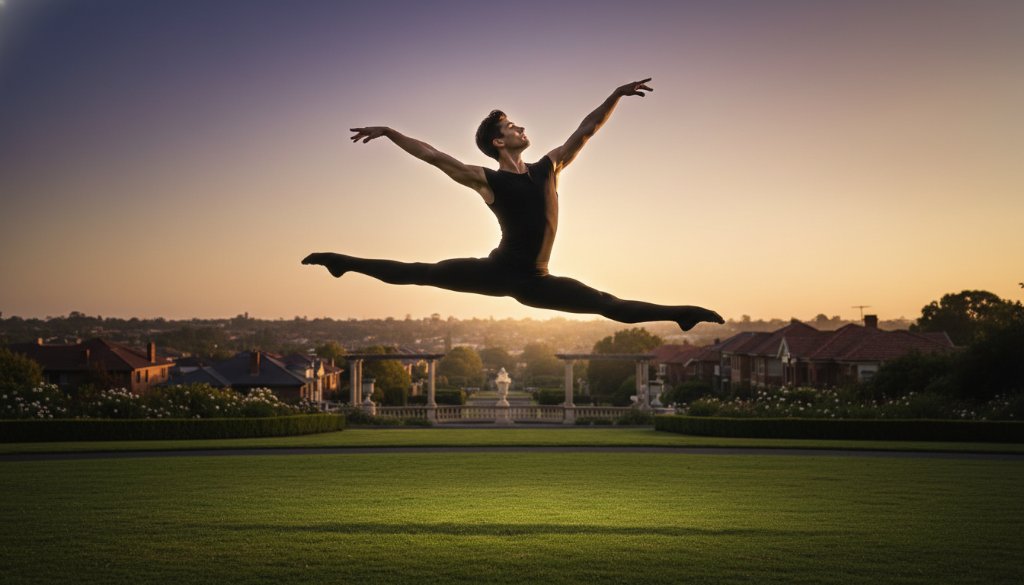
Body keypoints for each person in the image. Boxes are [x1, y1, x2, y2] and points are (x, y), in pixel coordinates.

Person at [303, 78, 724, 331]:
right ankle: (342, 261)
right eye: (510, 126)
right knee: (422, 273)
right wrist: (390, 131)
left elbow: (587, 130)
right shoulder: (487, 179)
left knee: (606, 304)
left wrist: (615, 94)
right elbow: (434, 156)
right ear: (497, 142)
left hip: (535, 281)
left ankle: (682, 314)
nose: (520, 127)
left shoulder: (549, 167)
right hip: (497, 269)